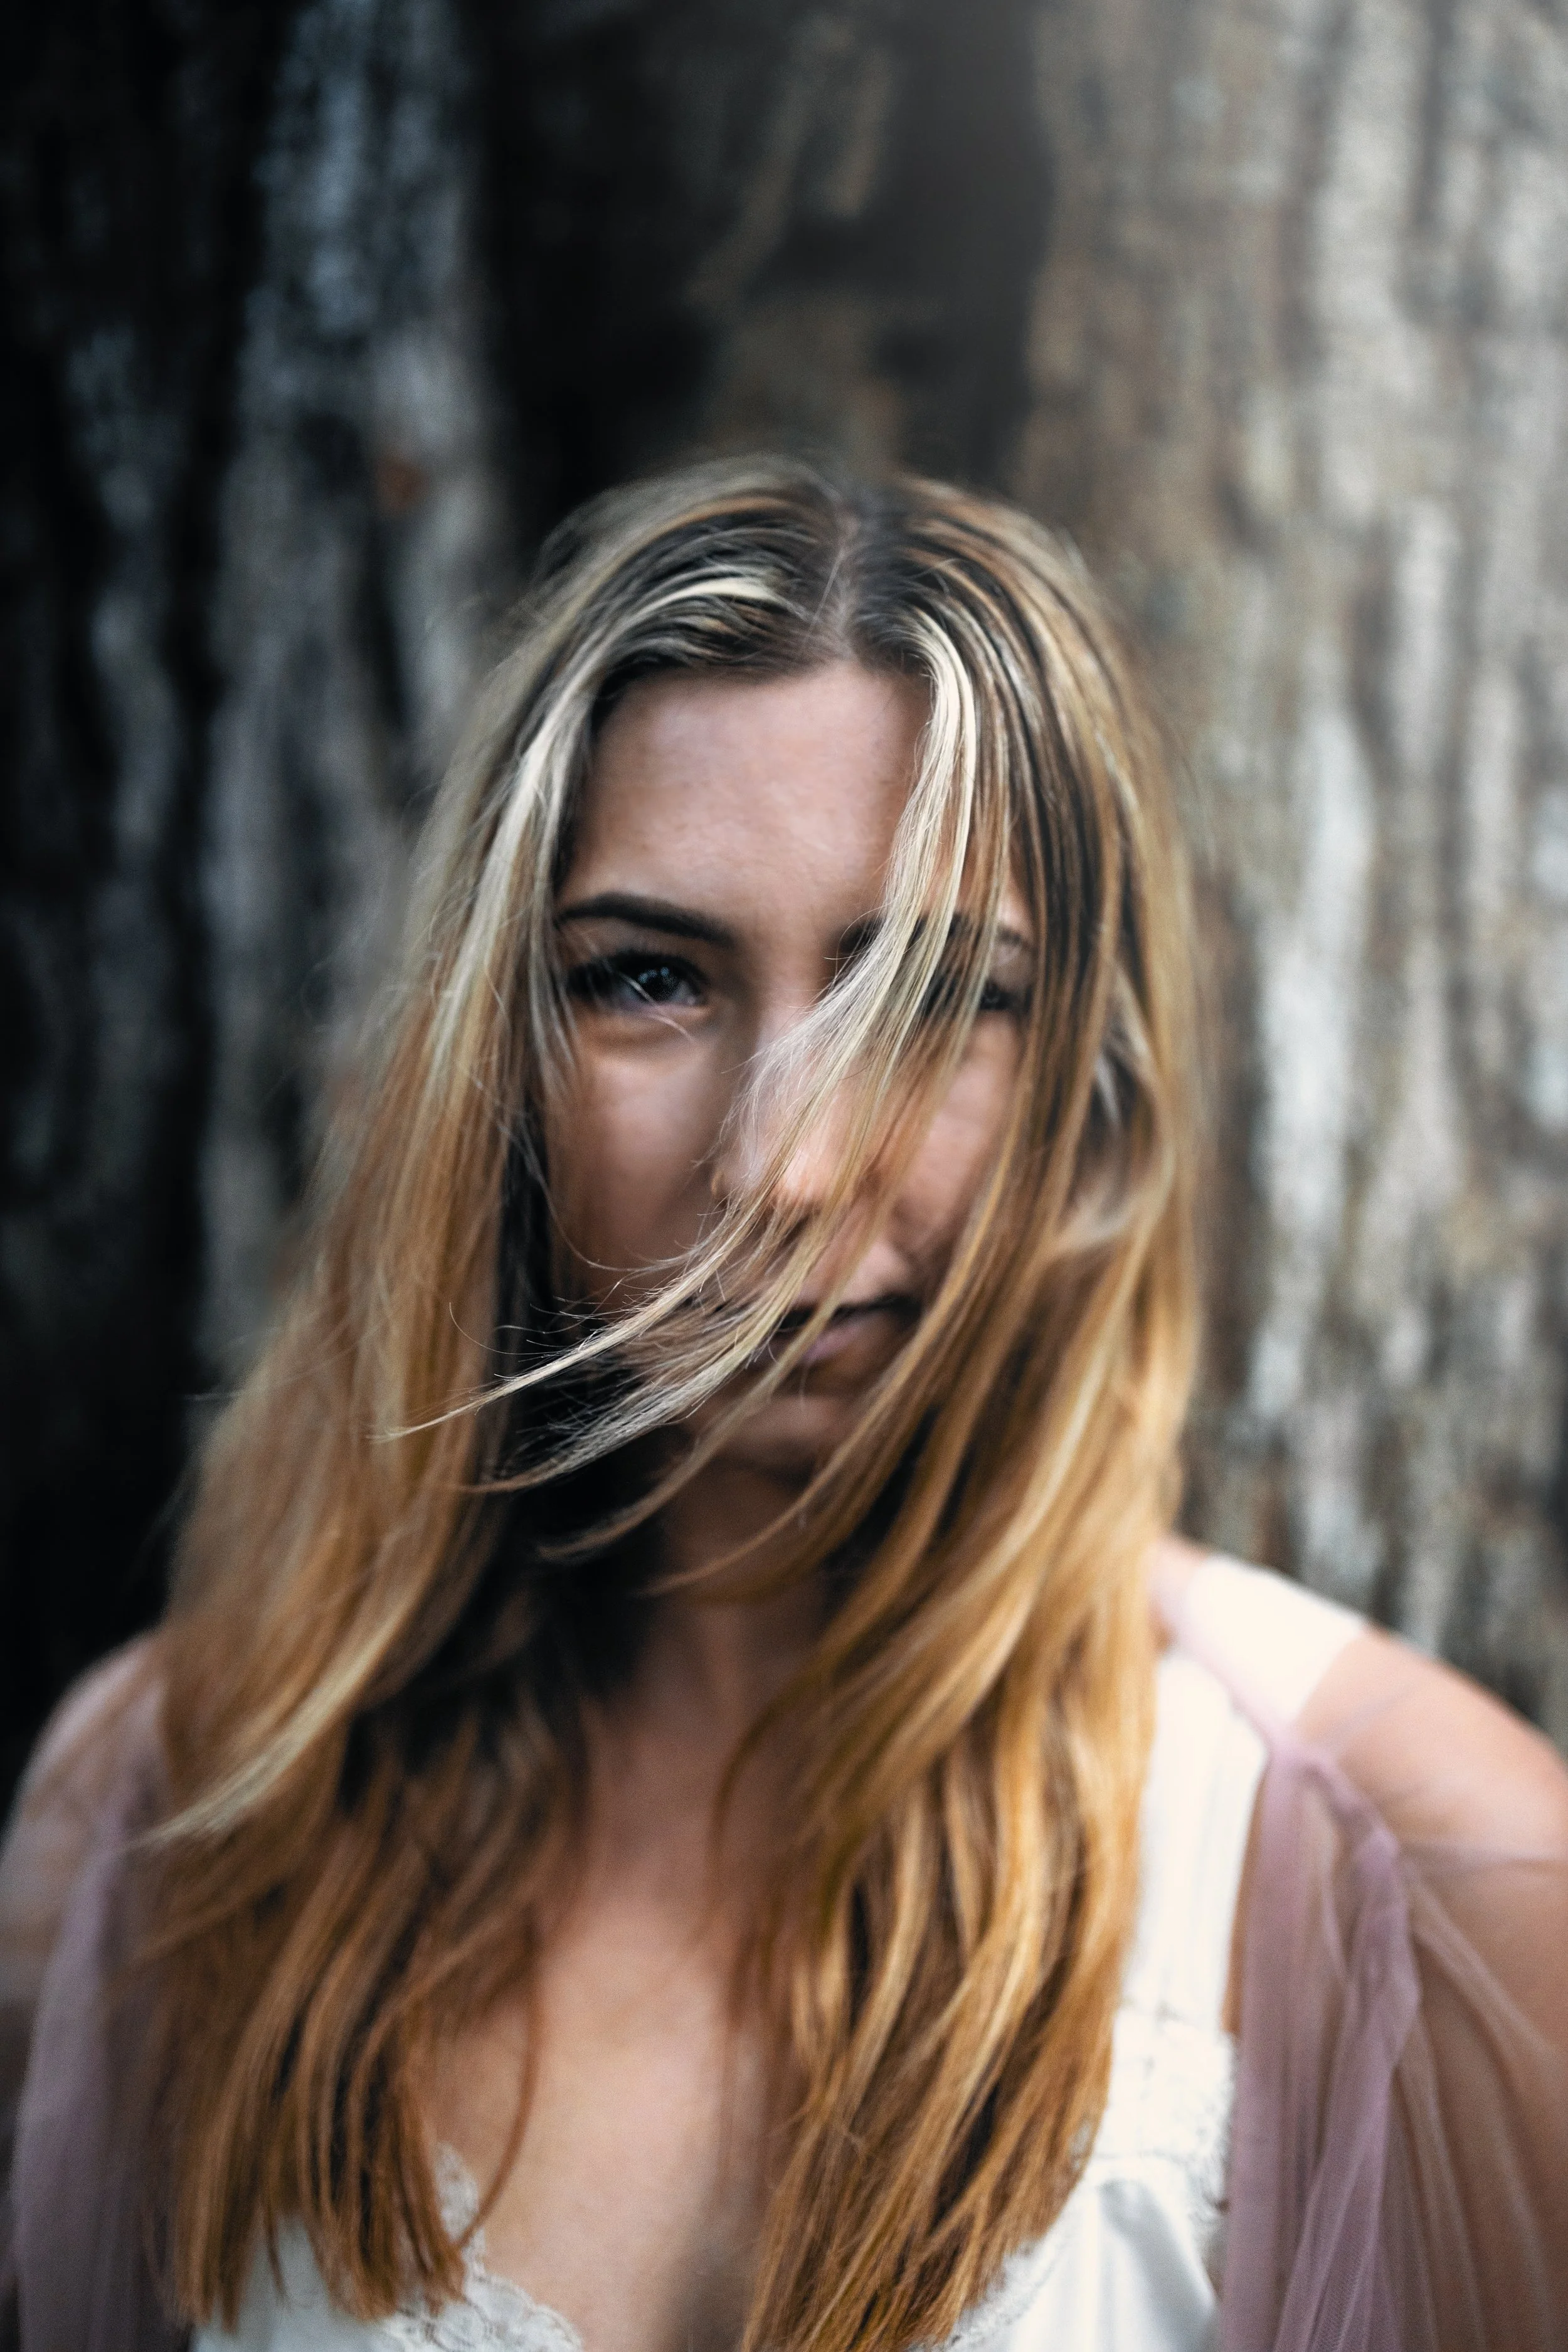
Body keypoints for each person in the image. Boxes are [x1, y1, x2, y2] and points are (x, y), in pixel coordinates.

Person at [2, 458, 1565, 2352]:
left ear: (1090, 1063)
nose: (789, 1164)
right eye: (647, 979)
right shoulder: (169, 1803)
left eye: (929, 992)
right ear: (496, 1049)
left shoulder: (1433, 1886)